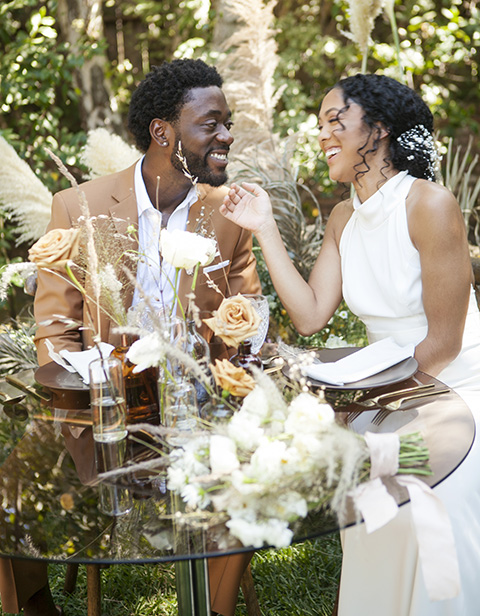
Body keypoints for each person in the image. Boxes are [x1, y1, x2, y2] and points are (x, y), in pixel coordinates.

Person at [0, 58, 261, 616]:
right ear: (162, 132)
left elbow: (248, 321)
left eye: (227, 121)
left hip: (201, 404)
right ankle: (37, 605)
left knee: (243, 475)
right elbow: (56, 328)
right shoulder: (80, 206)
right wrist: (88, 401)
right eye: (210, 123)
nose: (226, 135)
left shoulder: (229, 213)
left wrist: (231, 379)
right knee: (13, 488)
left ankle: (216, 610)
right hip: (102, 405)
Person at [220, 72, 480, 616]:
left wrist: (368, 399)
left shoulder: (429, 205)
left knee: (427, 503)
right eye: (320, 124)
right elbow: (312, 314)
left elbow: (446, 342)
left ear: (379, 130)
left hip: (456, 391)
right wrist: (264, 228)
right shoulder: (344, 216)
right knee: (366, 505)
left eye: (335, 120)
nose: (323, 134)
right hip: (390, 394)